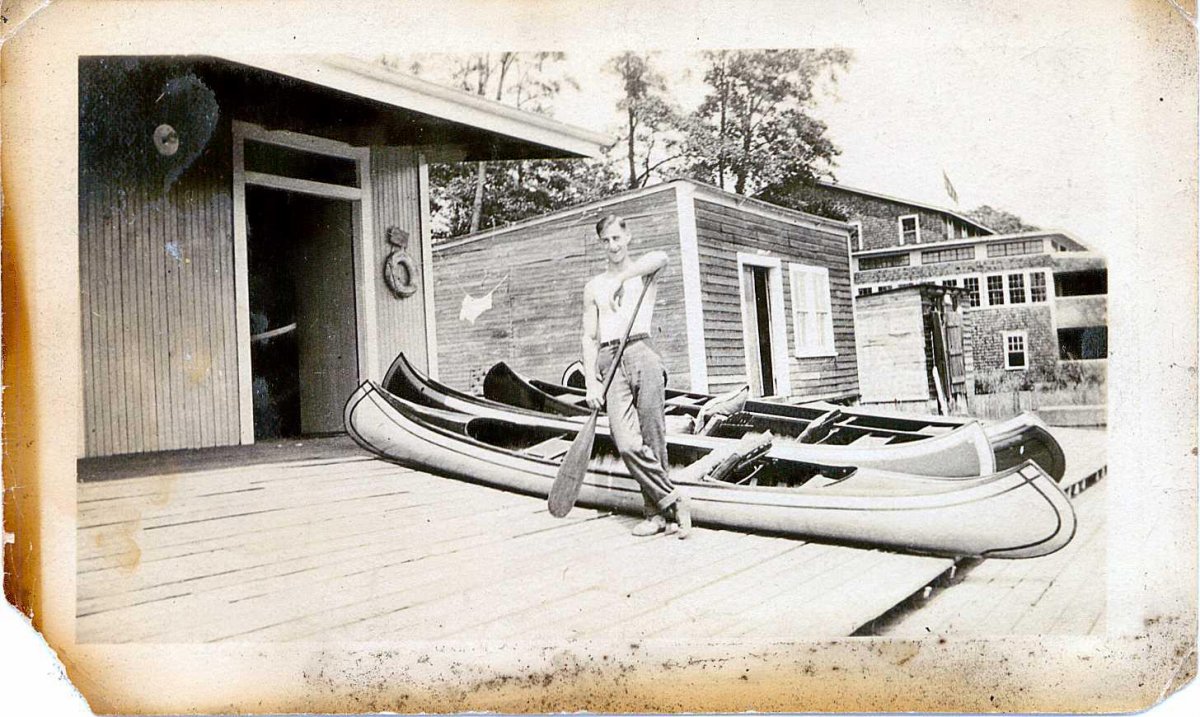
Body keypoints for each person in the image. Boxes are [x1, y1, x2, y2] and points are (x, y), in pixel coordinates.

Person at [581, 215, 691, 538]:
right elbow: (589, 336)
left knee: (654, 437)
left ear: (627, 238)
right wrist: (590, 380)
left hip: (643, 351)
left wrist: (622, 278)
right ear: (601, 243)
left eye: (617, 238)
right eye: (606, 240)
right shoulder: (593, 286)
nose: (612, 246)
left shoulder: (643, 273)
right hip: (610, 360)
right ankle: (675, 500)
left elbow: (663, 257)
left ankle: (656, 515)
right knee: (627, 443)